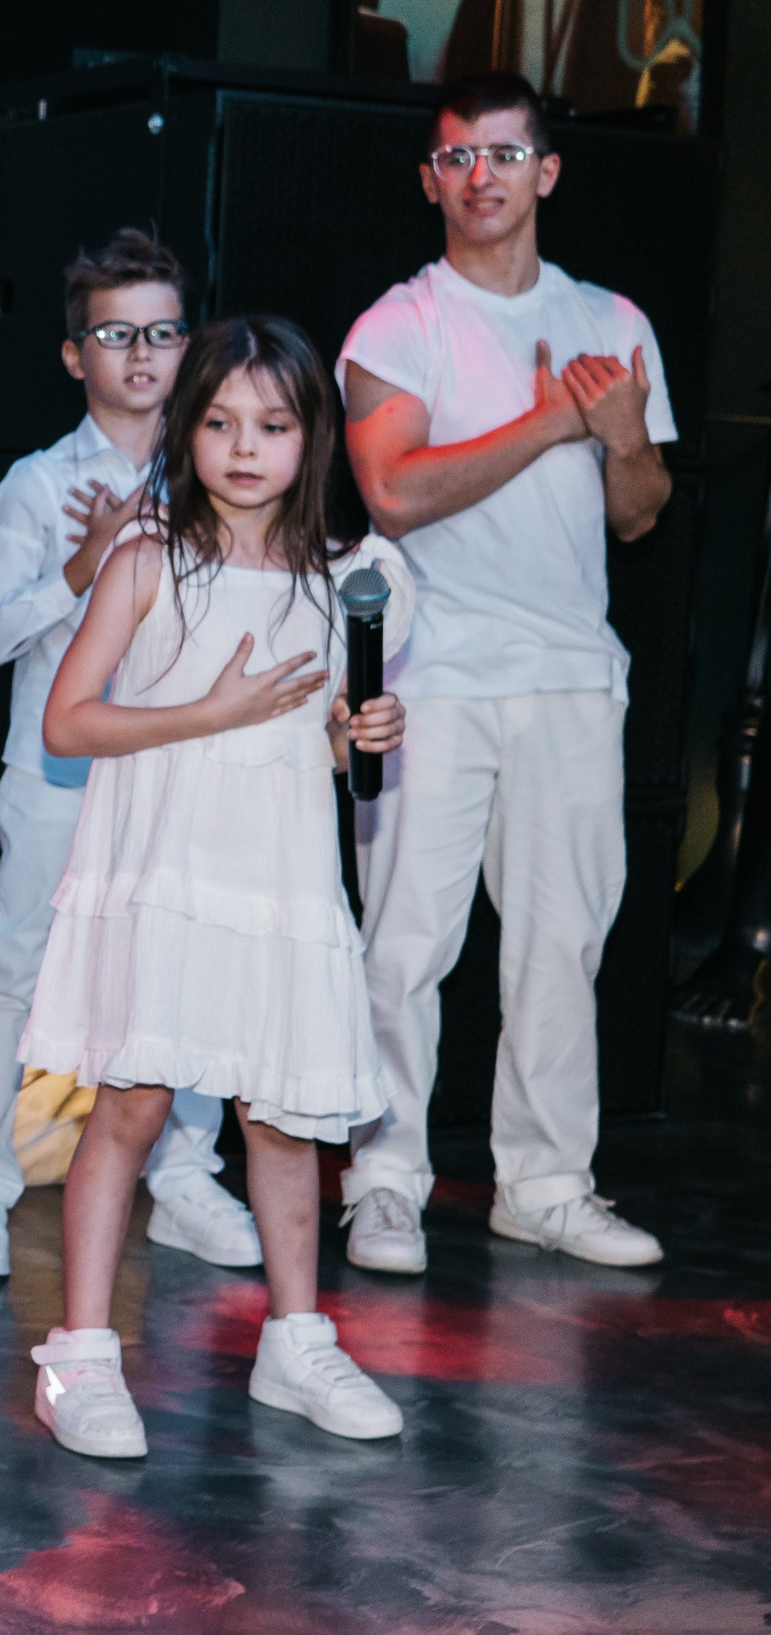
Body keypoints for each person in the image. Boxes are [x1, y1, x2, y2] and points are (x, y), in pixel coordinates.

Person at [20, 317, 411, 1458]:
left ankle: (296, 1340)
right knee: (132, 1106)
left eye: (274, 426)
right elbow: (66, 718)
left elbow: (330, 747)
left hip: (275, 879)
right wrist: (208, 711)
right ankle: (80, 1353)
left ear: (311, 438)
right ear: (186, 429)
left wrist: (361, 732)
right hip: (168, 874)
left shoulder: (343, 579)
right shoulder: (147, 562)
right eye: (221, 422)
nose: (245, 448)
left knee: (283, 1119)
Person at [337, 72, 674, 1274]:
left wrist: (621, 436)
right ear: (431, 179)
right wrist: (548, 423)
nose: (479, 177)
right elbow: (392, 490)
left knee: (560, 943)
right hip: (437, 673)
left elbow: (637, 513)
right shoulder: (397, 324)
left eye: (501, 154)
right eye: (455, 158)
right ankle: (382, 1176)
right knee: (404, 941)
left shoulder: (613, 322)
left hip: (572, 674)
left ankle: (544, 1183)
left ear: (546, 170)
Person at [0, 230, 260, 1281]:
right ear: (73, 353)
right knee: (12, 980)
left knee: (187, 971)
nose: (141, 355)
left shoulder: (224, 469)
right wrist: (85, 564)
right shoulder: (36, 489)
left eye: (163, 332)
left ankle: (182, 1174)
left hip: (180, 772)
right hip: (60, 774)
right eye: (114, 334)